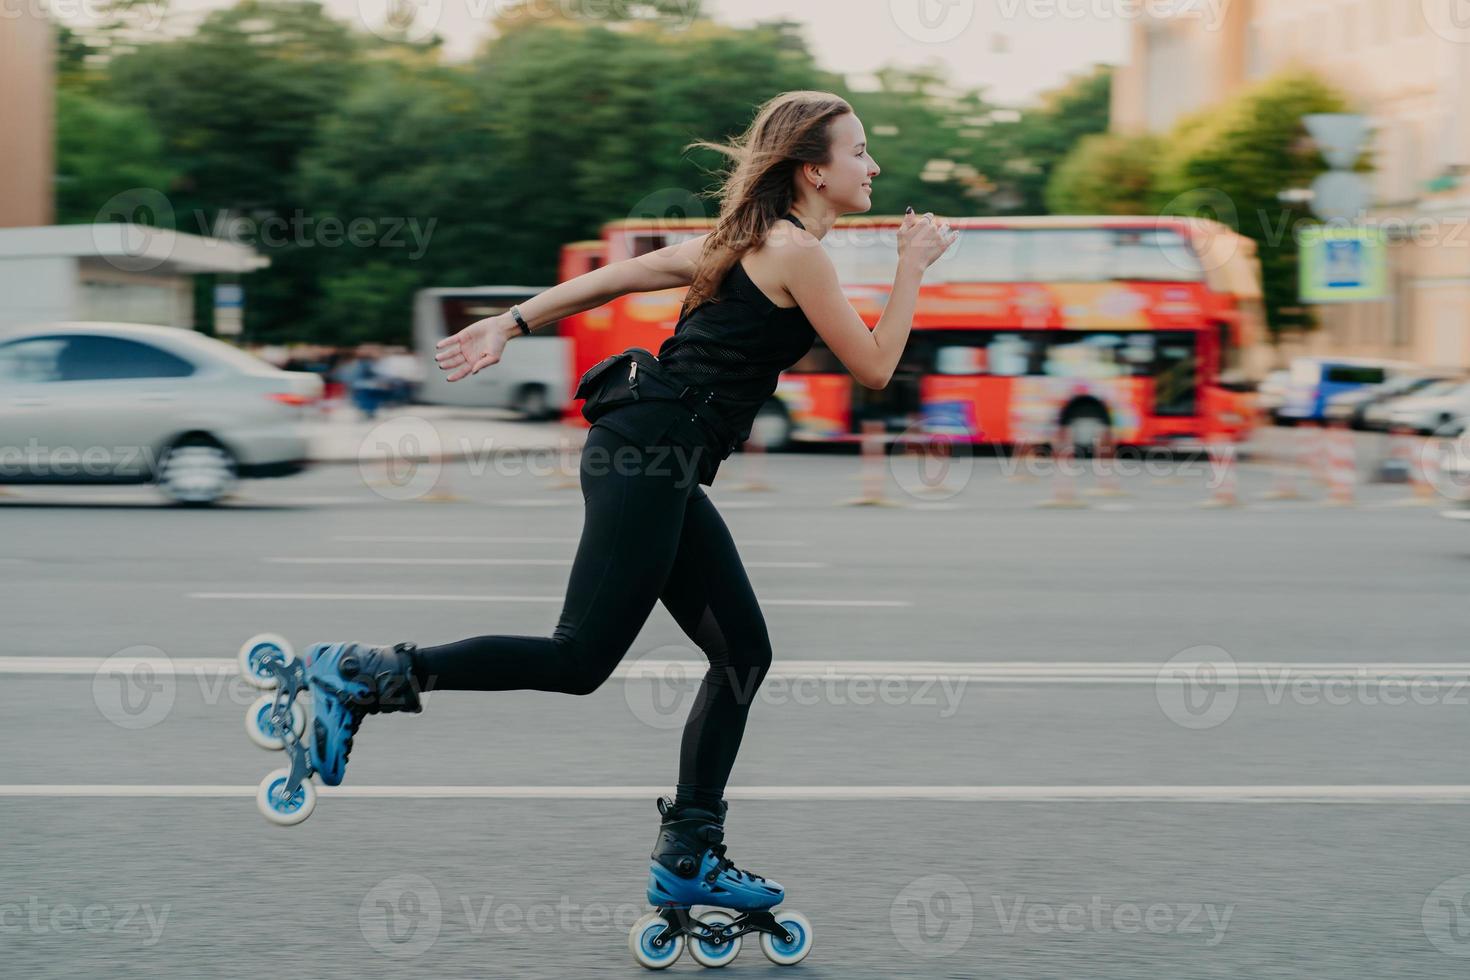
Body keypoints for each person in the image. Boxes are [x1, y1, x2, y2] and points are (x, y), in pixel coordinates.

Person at [298, 89, 957, 949]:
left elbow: (623, 274)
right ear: (813, 170)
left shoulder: (745, 242)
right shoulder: (795, 252)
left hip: (660, 455)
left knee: (743, 653)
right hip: (652, 450)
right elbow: (872, 367)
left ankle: (691, 853)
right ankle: (361, 673)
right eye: (860, 152)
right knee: (579, 658)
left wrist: (511, 320)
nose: (873, 167)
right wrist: (913, 267)